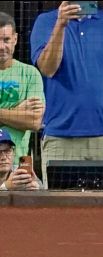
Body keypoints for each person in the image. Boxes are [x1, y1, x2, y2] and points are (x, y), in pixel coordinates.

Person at [31, 1, 103, 188]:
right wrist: (61, 24)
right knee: (60, 210)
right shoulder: (45, 22)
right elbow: (48, 69)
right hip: (60, 138)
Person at [0, 12, 45, 166]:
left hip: (16, 165)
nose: (1, 46)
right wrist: (18, 110)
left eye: (6, 40)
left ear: (15, 39)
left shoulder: (30, 74)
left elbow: (34, 121)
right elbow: (26, 118)